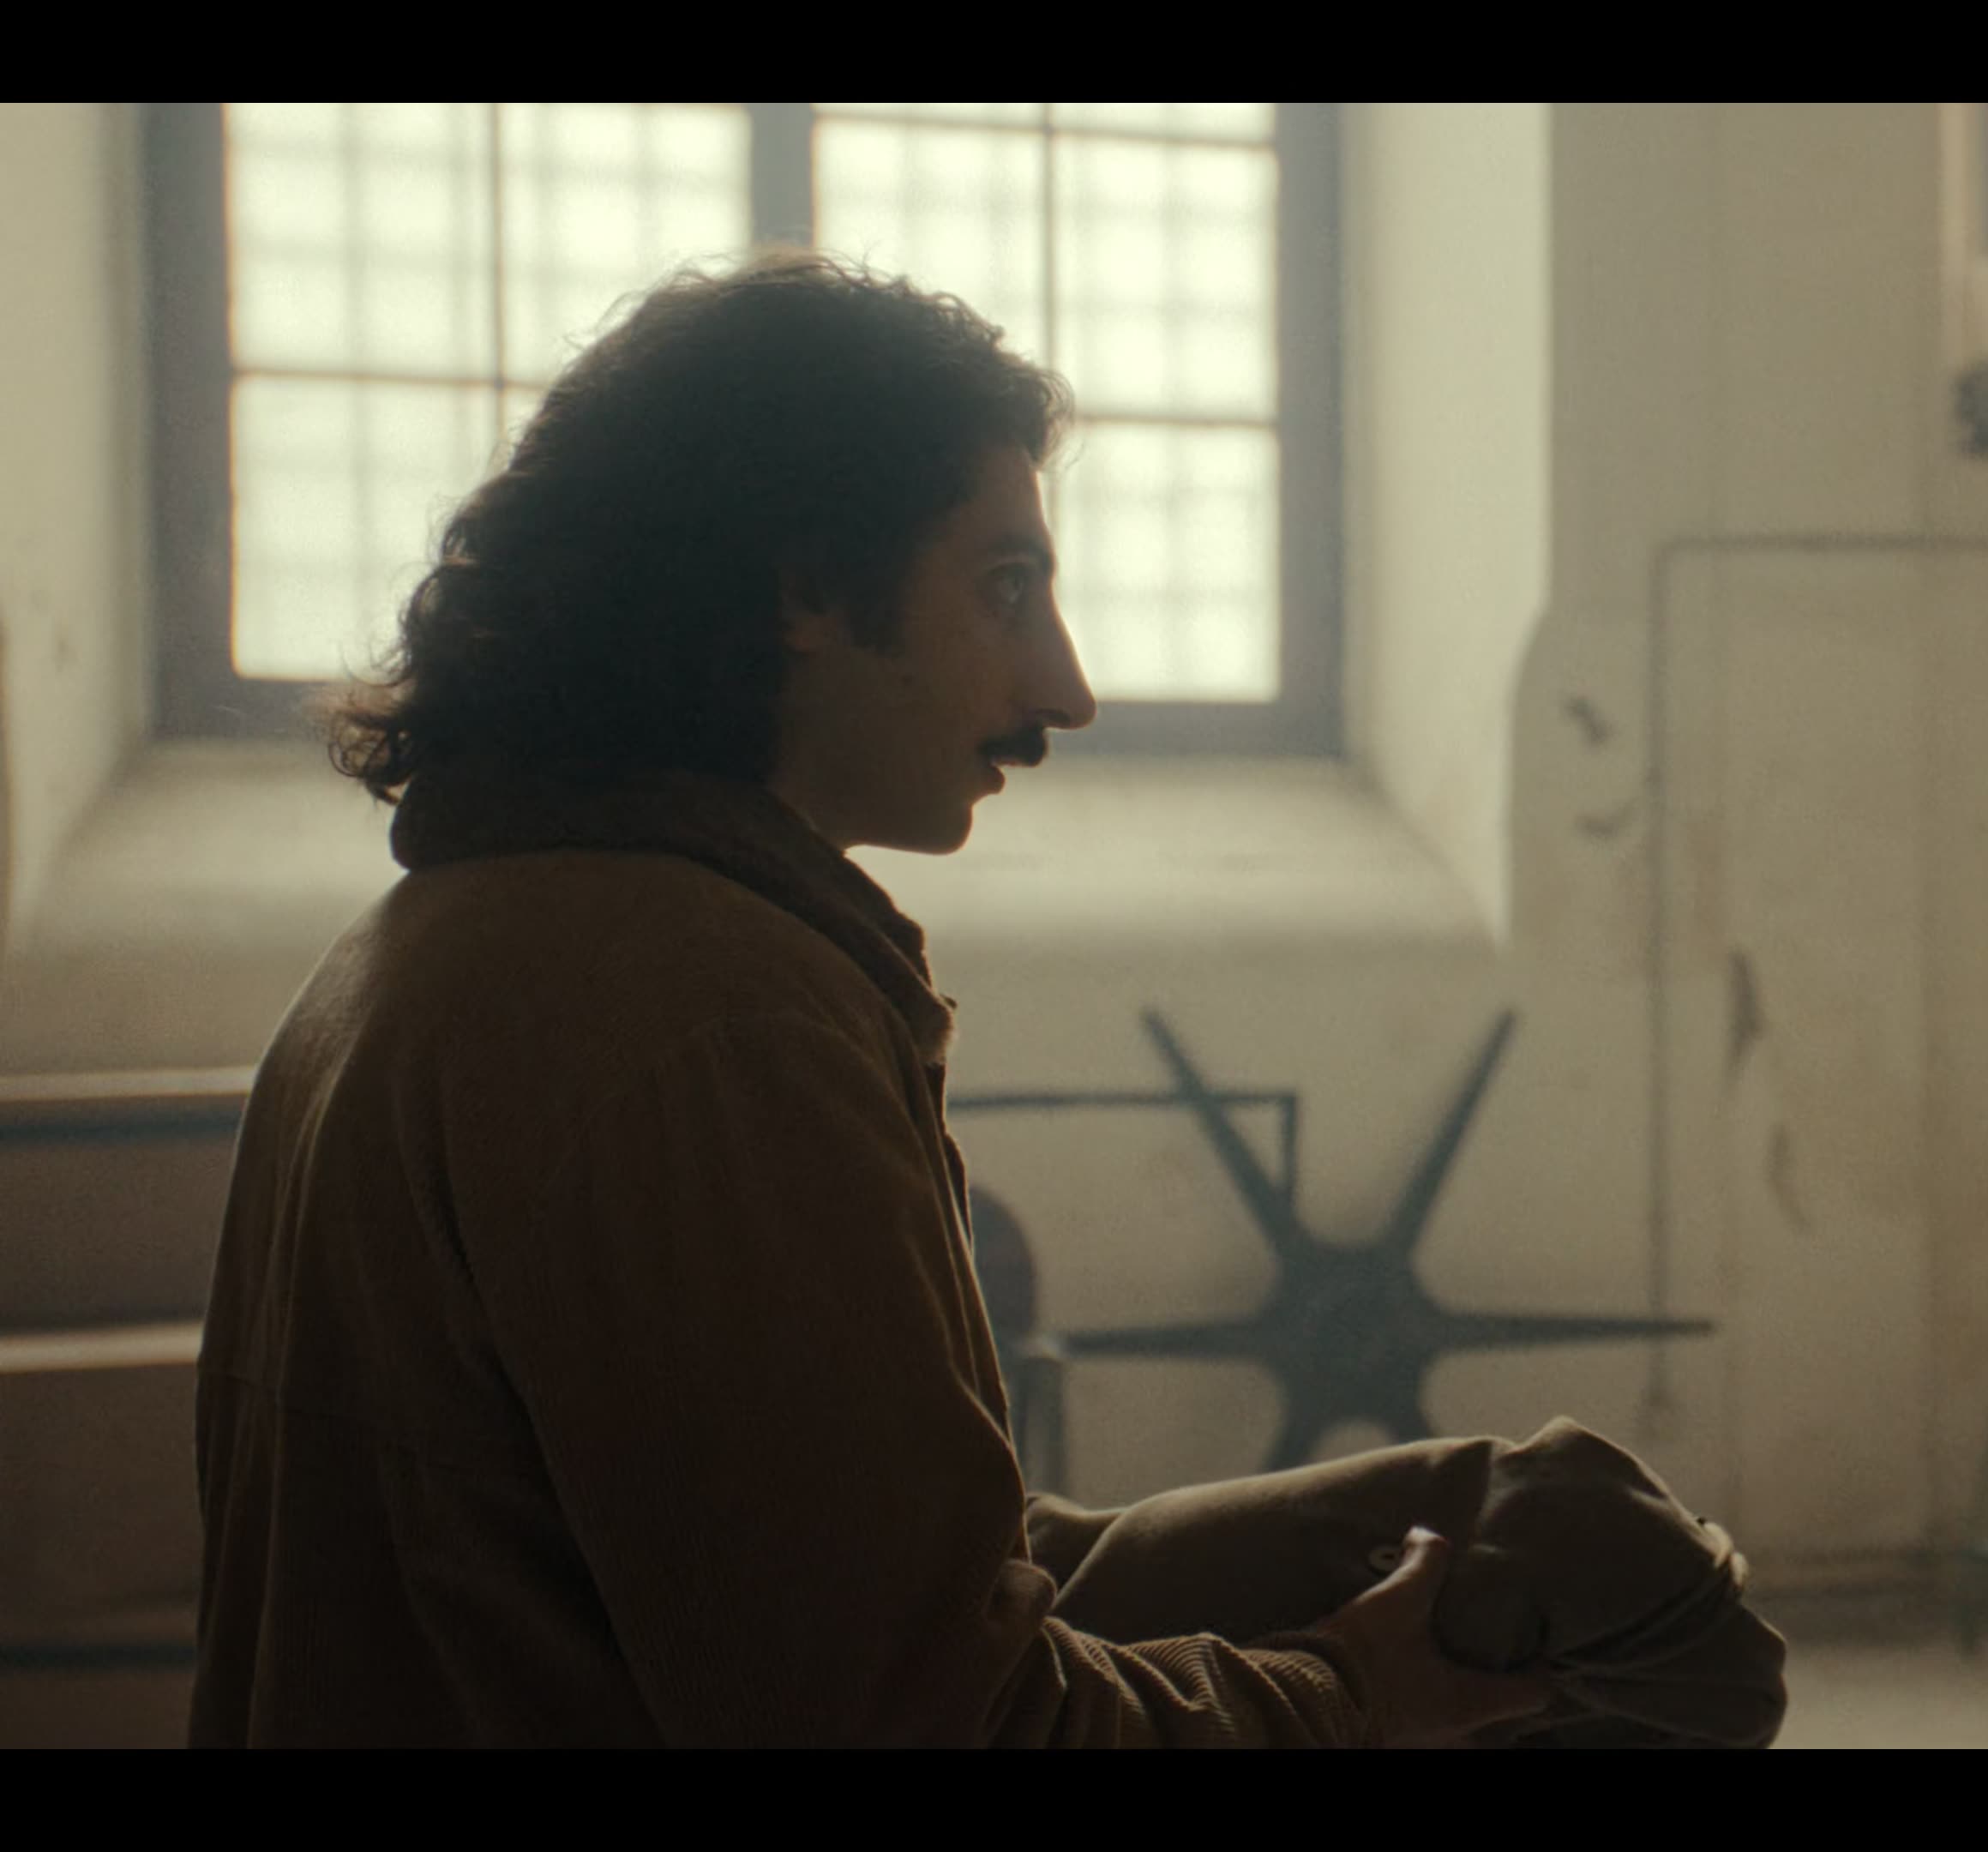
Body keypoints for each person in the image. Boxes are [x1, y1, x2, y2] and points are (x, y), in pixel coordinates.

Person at [190, 251, 1548, 1747]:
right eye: (1004, 588)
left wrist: (1340, 1534)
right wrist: (1348, 1700)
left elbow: (820, 1579)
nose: (1066, 688)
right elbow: (930, 1720)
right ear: (808, 588)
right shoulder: (711, 1021)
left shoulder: (441, 943)